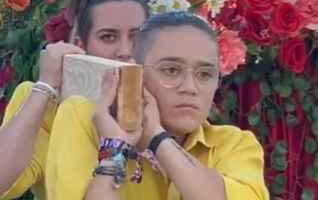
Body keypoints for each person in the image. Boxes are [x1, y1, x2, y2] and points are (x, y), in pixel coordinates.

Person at [46, 12, 269, 199]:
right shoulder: (85, 117)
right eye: (171, 70)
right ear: (137, 73)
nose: (190, 87)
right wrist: (113, 148)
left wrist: (157, 139)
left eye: (205, 74)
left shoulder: (234, 143)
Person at [0, 0, 149, 199]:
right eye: (108, 37)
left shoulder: (170, 100)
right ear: (80, 45)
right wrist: (45, 86)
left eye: (137, 37)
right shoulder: (51, 106)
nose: (125, 51)